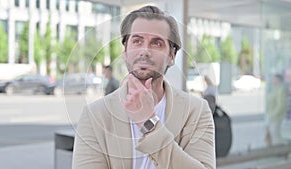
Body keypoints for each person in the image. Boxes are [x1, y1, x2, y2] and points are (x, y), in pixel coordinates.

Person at [72, 5, 215, 169]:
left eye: (156, 43)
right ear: (125, 52)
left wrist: (149, 123)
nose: (145, 51)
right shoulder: (94, 115)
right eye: (137, 41)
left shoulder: (196, 111)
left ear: (171, 56)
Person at [265, 74, 288, 146]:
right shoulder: (273, 89)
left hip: (277, 116)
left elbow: (281, 105)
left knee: (275, 134)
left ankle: (281, 149)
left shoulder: (281, 90)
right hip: (271, 115)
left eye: (275, 79)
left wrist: (274, 114)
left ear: (279, 80)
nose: (273, 80)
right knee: (272, 134)